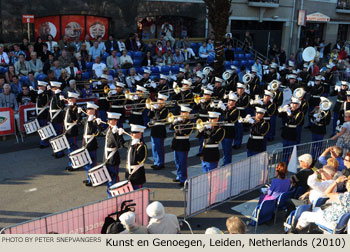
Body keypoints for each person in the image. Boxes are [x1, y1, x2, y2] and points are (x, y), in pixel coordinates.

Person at [169, 105, 193, 187]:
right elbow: (170, 128)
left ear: (188, 114)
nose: (182, 114)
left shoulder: (190, 123)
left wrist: (179, 123)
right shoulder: (179, 120)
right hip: (176, 142)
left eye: (185, 113)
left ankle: (184, 179)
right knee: (177, 161)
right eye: (182, 112)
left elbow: (184, 132)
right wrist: (174, 122)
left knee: (183, 163)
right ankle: (179, 176)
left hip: (183, 143)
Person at [104, 112, 125, 197]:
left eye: (110, 120)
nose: (108, 121)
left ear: (115, 121)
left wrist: (119, 135)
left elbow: (120, 145)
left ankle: (114, 196)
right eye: (108, 120)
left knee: (113, 178)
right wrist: (97, 124)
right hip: (107, 157)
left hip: (113, 159)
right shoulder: (109, 128)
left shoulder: (115, 131)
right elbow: (102, 133)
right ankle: (110, 194)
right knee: (109, 177)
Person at [62, 91, 82, 171]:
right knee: (69, 148)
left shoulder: (76, 108)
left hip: (72, 130)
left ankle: (75, 164)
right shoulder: (67, 107)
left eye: (71, 99)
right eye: (68, 98)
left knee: (73, 148)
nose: (69, 100)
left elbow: (78, 119)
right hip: (66, 130)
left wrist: (74, 110)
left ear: (74, 99)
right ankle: (71, 163)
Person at [82, 102, 101, 187]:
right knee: (87, 162)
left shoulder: (94, 120)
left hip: (91, 143)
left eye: (90, 109)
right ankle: (89, 178)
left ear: (94, 111)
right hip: (85, 143)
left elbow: (97, 133)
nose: (88, 111)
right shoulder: (87, 118)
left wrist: (98, 124)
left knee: (92, 163)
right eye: (88, 109)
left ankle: (94, 179)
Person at [148, 93, 169, 170]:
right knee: (154, 147)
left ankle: (160, 163)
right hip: (154, 128)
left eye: (161, 100)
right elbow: (149, 116)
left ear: (164, 101)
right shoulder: (156, 108)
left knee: (159, 147)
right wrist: (151, 109)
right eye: (158, 100)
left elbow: (159, 118)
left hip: (160, 129)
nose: (159, 101)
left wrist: (156, 109)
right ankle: (155, 162)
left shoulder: (165, 109)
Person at [219, 92, 239, 165]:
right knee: (224, 149)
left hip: (229, 131)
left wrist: (224, 110)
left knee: (227, 149)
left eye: (232, 101)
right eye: (229, 100)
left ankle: (227, 163)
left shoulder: (236, 110)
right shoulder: (225, 108)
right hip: (223, 131)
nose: (230, 102)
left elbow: (230, 119)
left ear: (235, 102)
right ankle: (225, 162)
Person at [125, 124, 148, 190]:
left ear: (140, 134)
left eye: (134, 133)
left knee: (138, 193)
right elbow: (121, 144)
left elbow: (139, 159)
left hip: (137, 173)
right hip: (129, 173)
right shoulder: (131, 143)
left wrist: (137, 146)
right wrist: (118, 134)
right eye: (132, 133)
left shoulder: (142, 146)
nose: (131, 134)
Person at [49, 81, 65, 158]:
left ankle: (60, 152)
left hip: (58, 118)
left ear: (56, 88)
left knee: (58, 135)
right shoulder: (54, 95)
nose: (52, 89)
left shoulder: (58, 95)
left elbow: (60, 105)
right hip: (54, 119)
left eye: (53, 88)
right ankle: (56, 150)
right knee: (55, 136)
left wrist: (57, 95)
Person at [35, 81, 51, 149]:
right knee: (41, 128)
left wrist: (39, 95)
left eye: (41, 86)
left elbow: (42, 104)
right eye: (39, 86)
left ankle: (45, 142)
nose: (39, 88)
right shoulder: (40, 94)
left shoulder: (45, 94)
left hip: (43, 113)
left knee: (44, 128)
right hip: (39, 114)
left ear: (44, 87)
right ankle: (43, 141)